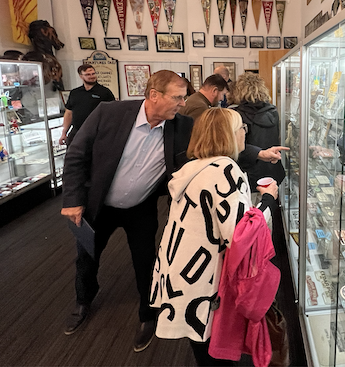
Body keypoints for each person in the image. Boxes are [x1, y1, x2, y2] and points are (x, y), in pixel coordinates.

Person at [60, 70, 194, 353]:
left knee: (146, 262)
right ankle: (83, 301)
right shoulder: (110, 112)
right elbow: (76, 153)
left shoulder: (182, 126)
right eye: (178, 97)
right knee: (87, 257)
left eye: (184, 98)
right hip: (99, 205)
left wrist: (257, 154)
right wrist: (72, 198)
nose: (183, 103)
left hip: (140, 207)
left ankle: (147, 314)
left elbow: (216, 142)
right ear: (154, 95)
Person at [150, 107, 278, 366]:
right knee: (214, 354)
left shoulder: (196, 166)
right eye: (242, 127)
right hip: (202, 279)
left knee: (201, 348)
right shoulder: (225, 169)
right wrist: (268, 200)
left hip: (179, 273)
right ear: (229, 134)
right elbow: (242, 235)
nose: (245, 132)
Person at [231, 73, 286, 195]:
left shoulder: (236, 116)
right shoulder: (273, 112)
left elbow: (236, 147)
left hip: (248, 172)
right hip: (273, 169)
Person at [59, 64, 115, 145]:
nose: (92, 76)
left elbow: (112, 113)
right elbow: (68, 113)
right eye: (88, 74)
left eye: (93, 73)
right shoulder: (75, 93)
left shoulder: (104, 92)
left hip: (97, 131)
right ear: (81, 76)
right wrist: (64, 133)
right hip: (77, 130)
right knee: (72, 155)